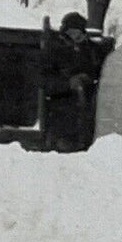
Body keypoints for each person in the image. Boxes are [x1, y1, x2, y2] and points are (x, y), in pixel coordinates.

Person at [43, 11, 111, 152]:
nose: (76, 37)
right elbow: (45, 83)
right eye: (72, 33)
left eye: (79, 33)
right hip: (61, 121)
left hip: (88, 120)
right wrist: (68, 84)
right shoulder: (54, 51)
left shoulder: (90, 50)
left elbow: (102, 70)